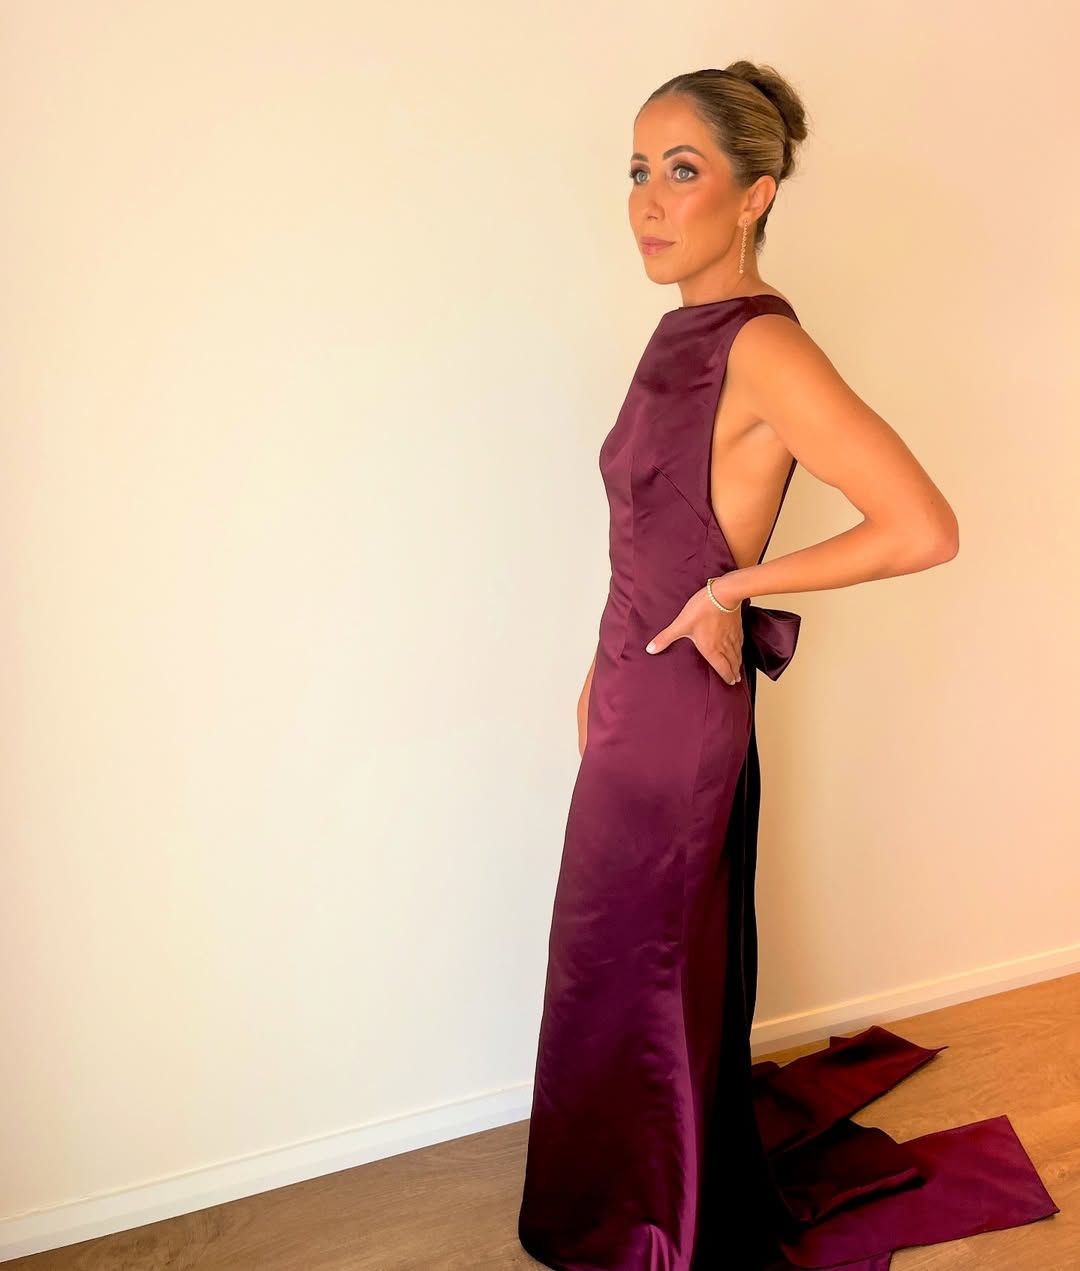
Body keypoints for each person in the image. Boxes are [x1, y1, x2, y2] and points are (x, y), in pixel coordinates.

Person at [517, 62, 1059, 1271]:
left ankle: (653, 1223)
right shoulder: (679, 334)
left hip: (679, 719)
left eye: (684, 171)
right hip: (637, 691)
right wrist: (601, 667)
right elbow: (647, 538)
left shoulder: (763, 347)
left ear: (755, 195)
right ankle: (631, 1198)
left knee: (644, 964)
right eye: (638, 170)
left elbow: (922, 525)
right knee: (610, 957)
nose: (648, 199)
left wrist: (733, 588)